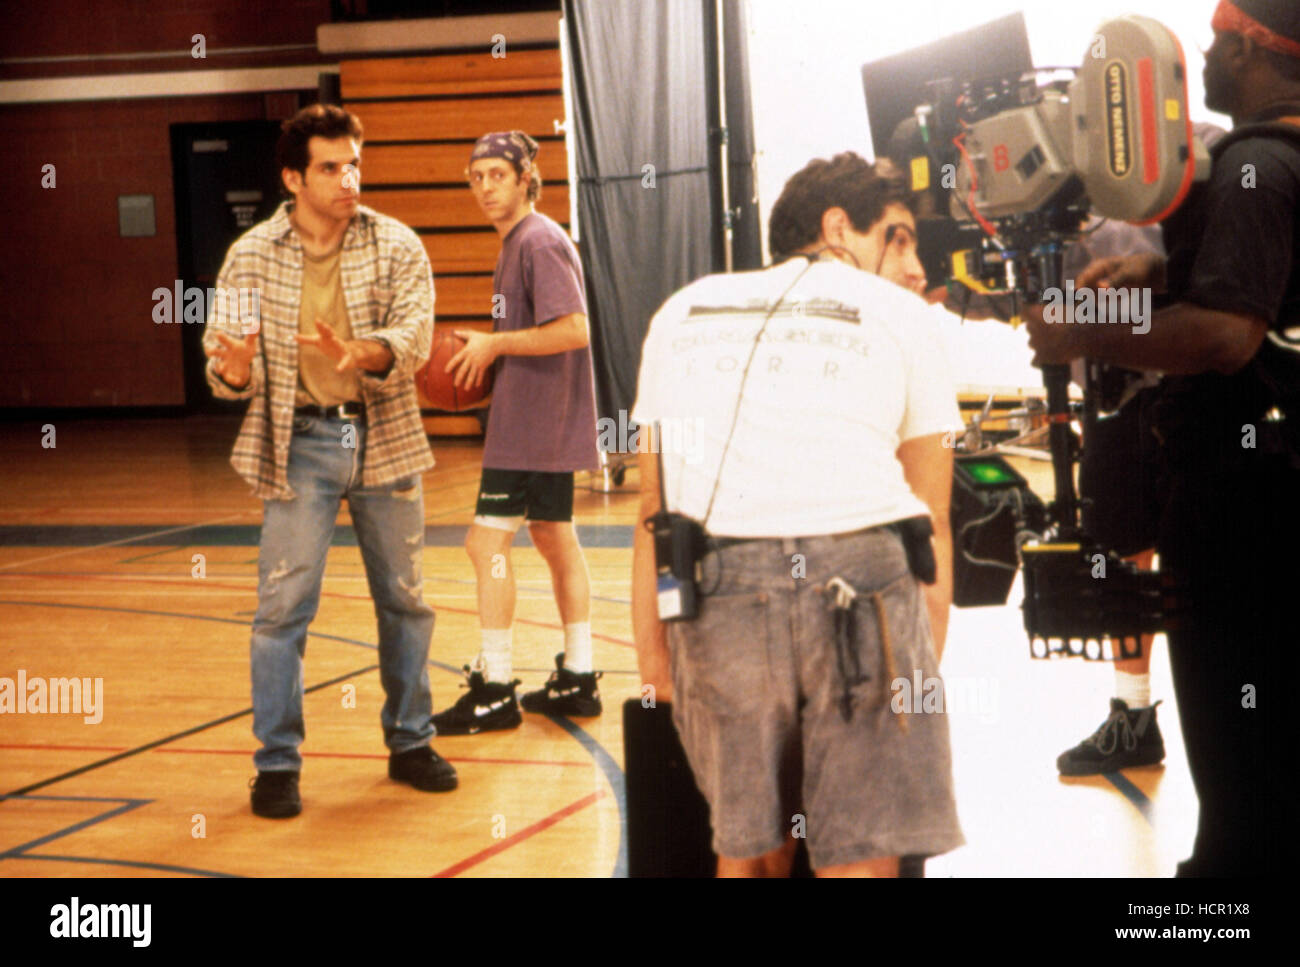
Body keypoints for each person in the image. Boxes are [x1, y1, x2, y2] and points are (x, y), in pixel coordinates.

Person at [631, 153, 965, 876]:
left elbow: (654, 509)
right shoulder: (908, 317)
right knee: (864, 854)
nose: (914, 267)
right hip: (864, 578)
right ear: (837, 227)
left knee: (749, 851)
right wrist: (918, 671)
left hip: (716, 587)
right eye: (899, 238)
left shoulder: (680, 308)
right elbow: (930, 519)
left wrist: (655, 662)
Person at [1027, 0, 1300, 875]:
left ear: (1256, 48)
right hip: (1273, 491)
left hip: (1245, 510)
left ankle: (1217, 903)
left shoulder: (1256, 163)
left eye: (1217, 43)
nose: (1205, 60)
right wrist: (1157, 273)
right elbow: (1253, 291)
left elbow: (1226, 334)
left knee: (1238, 761)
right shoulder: (1274, 160)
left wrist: (1078, 334)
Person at [202, 104, 456, 818]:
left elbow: (412, 334)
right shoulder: (250, 255)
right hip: (299, 442)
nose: (350, 179)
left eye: (355, 163)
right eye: (331, 167)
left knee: (405, 600)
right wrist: (237, 369)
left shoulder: (398, 243)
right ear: (293, 177)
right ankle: (276, 763)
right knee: (282, 608)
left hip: (383, 432)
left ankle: (411, 741)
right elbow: (222, 370)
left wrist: (366, 351)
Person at [430, 130, 603, 734]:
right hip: (539, 422)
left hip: (534, 426)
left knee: (484, 546)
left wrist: (495, 343)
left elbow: (575, 329)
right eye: (475, 178)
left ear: (526, 177)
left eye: (496, 175)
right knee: (555, 538)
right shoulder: (518, 244)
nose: (483, 187)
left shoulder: (538, 240)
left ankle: (497, 687)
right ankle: (579, 676)